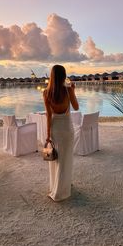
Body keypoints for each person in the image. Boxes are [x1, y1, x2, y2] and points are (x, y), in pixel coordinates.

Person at [43, 65, 79, 201]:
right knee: (66, 158)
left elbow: (48, 115)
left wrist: (48, 135)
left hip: (55, 128)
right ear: (64, 75)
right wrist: (73, 91)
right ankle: (62, 189)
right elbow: (76, 107)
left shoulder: (46, 93)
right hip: (67, 128)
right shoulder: (68, 90)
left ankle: (56, 186)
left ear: (51, 76)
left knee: (56, 159)